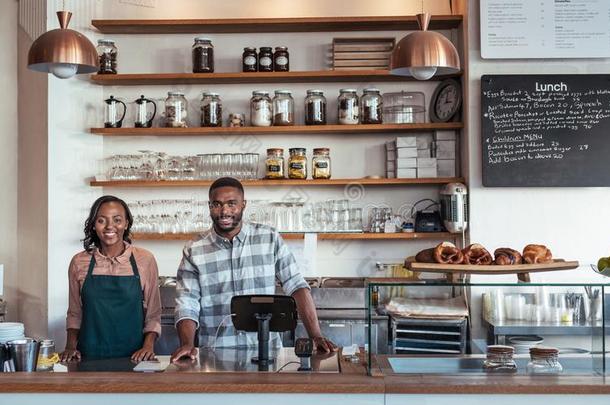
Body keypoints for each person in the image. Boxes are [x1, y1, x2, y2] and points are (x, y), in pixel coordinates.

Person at [171, 177, 337, 362]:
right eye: (217, 204)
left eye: (232, 204)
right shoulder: (194, 248)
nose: (224, 211)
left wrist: (315, 334)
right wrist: (187, 343)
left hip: (268, 354)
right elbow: (187, 303)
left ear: (244, 205)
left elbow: (296, 286)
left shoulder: (269, 239)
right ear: (209, 206)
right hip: (215, 356)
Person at [60, 195, 162, 362]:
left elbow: (153, 314)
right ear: (93, 225)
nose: (110, 226)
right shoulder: (79, 262)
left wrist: (148, 347)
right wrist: (70, 347)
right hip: (88, 356)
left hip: (135, 358)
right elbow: (74, 312)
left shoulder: (145, 260)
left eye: (117, 220)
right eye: (101, 220)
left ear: (126, 223)